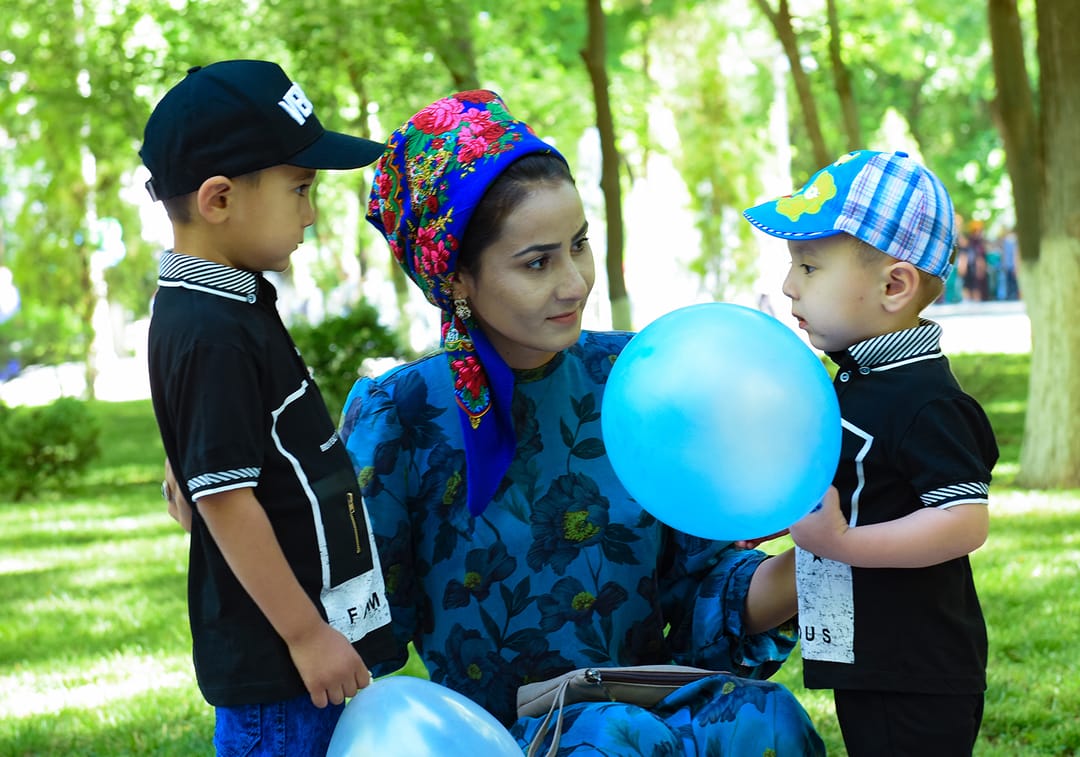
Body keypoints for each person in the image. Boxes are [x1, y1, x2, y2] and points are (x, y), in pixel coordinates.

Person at [339, 90, 825, 755]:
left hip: (655, 712)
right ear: (457, 279)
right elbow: (356, 631)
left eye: (579, 244)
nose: (574, 282)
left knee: (763, 718)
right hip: (497, 739)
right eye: (537, 262)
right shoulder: (401, 417)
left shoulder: (639, 374)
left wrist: (820, 560)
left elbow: (700, 591)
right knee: (601, 739)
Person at [141, 59, 394, 756]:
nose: (311, 211)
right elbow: (224, 500)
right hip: (281, 673)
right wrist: (307, 634)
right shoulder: (209, 327)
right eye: (301, 189)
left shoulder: (226, 294)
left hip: (303, 656)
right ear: (220, 199)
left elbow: (215, 435)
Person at [744, 149, 1000, 756]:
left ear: (894, 285)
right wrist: (772, 518)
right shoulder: (853, 382)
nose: (787, 286)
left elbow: (963, 521)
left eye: (808, 267)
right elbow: (854, 487)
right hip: (867, 653)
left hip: (917, 666)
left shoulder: (924, 399)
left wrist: (841, 545)